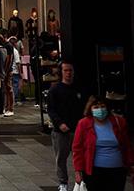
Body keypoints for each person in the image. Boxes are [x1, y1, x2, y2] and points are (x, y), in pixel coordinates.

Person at [72, 96, 134, 191]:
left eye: (102, 106)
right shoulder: (84, 124)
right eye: (96, 107)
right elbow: (77, 148)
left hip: (117, 170)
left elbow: (127, 145)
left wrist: (131, 164)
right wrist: (78, 170)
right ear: (90, 109)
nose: (100, 110)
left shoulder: (119, 122)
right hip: (94, 171)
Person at [48, 61, 85, 191]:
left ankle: (81, 180)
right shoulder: (55, 89)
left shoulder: (78, 88)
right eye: (66, 70)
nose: (69, 73)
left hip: (78, 129)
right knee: (61, 158)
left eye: (70, 70)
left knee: (80, 156)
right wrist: (59, 123)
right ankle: (63, 182)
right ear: (61, 72)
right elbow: (51, 109)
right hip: (61, 130)